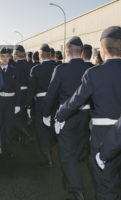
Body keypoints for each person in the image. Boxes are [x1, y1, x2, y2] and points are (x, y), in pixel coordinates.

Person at [55, 26, 121, 200]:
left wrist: (60, 114)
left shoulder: (94, 74)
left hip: (104, 136)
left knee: (105, 186)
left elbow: (76, 100)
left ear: (103, 50)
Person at [43, 36, 90, 200]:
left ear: (67, 51)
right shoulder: (91, 68)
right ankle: (70, 177)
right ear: (82, 51)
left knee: (67, 153)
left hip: (67, 116)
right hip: (86, 115)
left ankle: (76, 188)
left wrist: (46, 113)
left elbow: (51, 94)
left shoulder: (61, 69)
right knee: (77, 147)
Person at [26, 44, 57, 168]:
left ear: (40, 55)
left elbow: (31, 89)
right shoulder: (57, 67)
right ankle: (51, 147)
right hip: (55, 101)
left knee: (41, 129)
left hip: (41, 102)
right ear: (50, 54)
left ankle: (48, 157)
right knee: (53, 126)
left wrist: (28, 105)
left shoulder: (36, 69)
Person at [0, 47, 21, 156]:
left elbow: (17, 88)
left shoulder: (14, 69)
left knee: (9, 126)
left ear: (10, 57)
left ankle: (8, 149)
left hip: (10, 101)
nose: (5, 58)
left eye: (7, 56)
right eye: (2, 56)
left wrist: (18, 104)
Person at [12, 45, 32, 144]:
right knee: (22, 116)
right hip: (26, 93)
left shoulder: (15, 66)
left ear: (16, 54)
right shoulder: (28, 66)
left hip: (18, 94)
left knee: (16, 117)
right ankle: (22, 138)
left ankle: (26, 135)